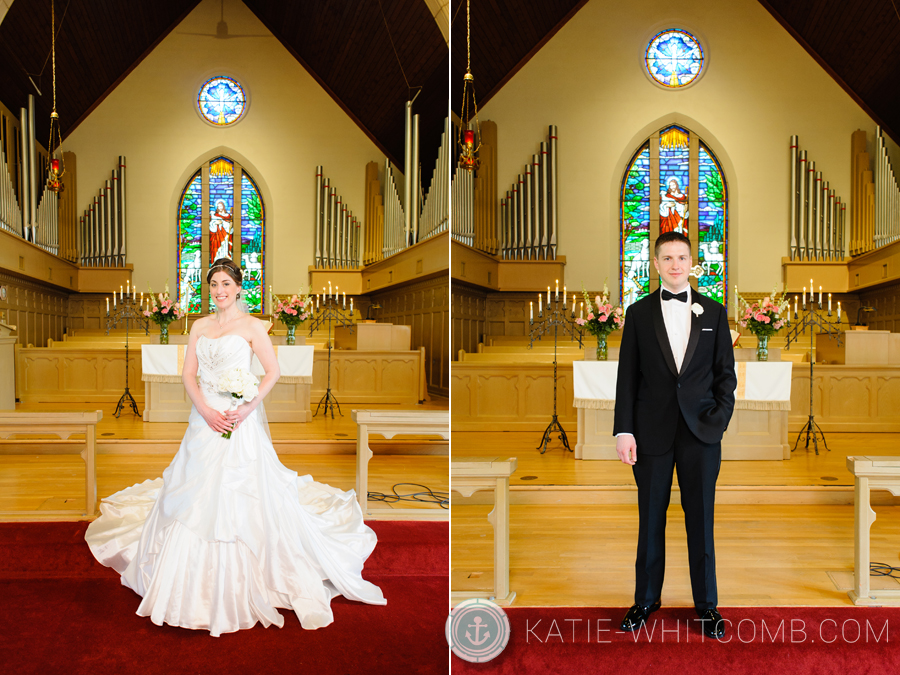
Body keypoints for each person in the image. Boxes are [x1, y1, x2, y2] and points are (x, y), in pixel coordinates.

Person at [85, 258, 385, 636]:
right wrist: (205, 410)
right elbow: (188, 373)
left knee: (239, 491)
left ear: (239, 287)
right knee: (193, 490)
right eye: (214, 284)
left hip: (238, 421)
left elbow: (272, 371)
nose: (220, 290)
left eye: (226, 283)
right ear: (208, 289)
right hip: (205, 417)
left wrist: (245, 408)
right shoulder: (199, 326)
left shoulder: (253, 326)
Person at [613, 232, 736, 640]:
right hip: (650, 432)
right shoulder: (638, 313)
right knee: (650, 519)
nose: (675, 264)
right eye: (667, 258)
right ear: (656, 264)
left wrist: (718, 420)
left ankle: (707, 606)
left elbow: (726, 377)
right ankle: (646, 599)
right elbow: (627, 379)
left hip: (702, 432)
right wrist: (624, 430)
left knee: (701, 520)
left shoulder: (715, 314)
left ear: (691, 261)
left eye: (682, 257)